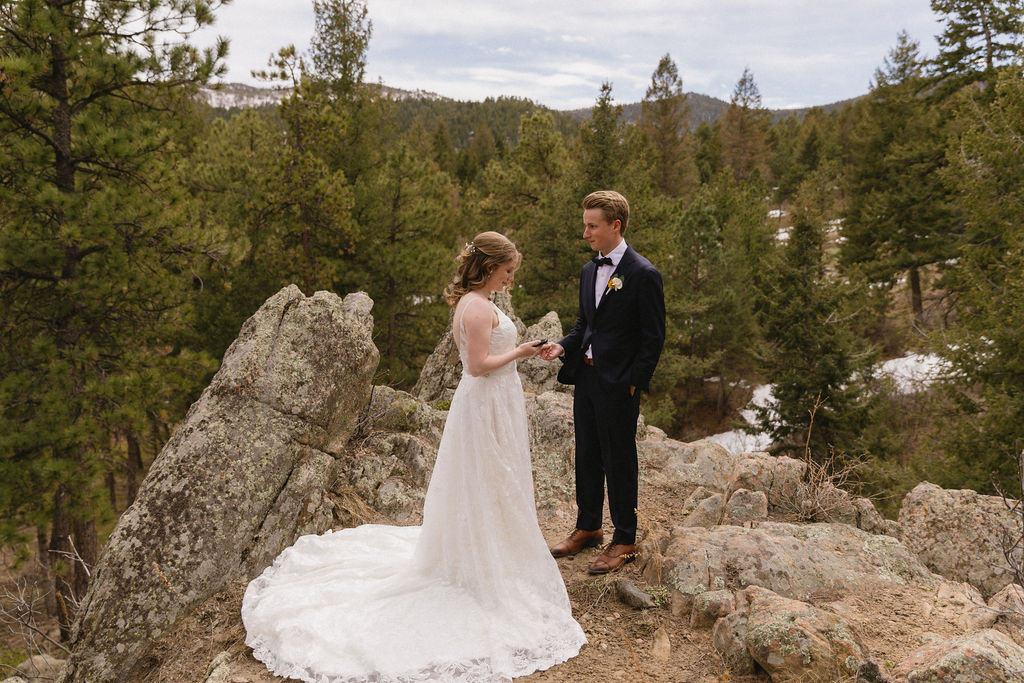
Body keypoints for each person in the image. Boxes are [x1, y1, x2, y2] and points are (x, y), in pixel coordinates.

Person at [242, 232, 586, 682]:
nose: (511, 277)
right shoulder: (478, 307)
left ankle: (491, 552)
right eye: (507, 270)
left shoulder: (475, 300)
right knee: (489, 478)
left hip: (493, 401)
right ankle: (483, 564)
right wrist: (521, 351)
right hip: (485, 401)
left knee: (493, 481)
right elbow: (477, 366)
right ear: (489, 268)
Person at [540, 191, 665, 575]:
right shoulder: (589, 271)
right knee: (587, 454)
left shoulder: (643, 274)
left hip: (619, 384)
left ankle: (624, 537)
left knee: (619, 459)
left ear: (616, 226)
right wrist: (562, 347)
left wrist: (634, 383)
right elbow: (585, 326)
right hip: (588, 379)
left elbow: (653, 337)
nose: (585, 233)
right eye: (585, 225)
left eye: (592, 226)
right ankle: (589, 526)